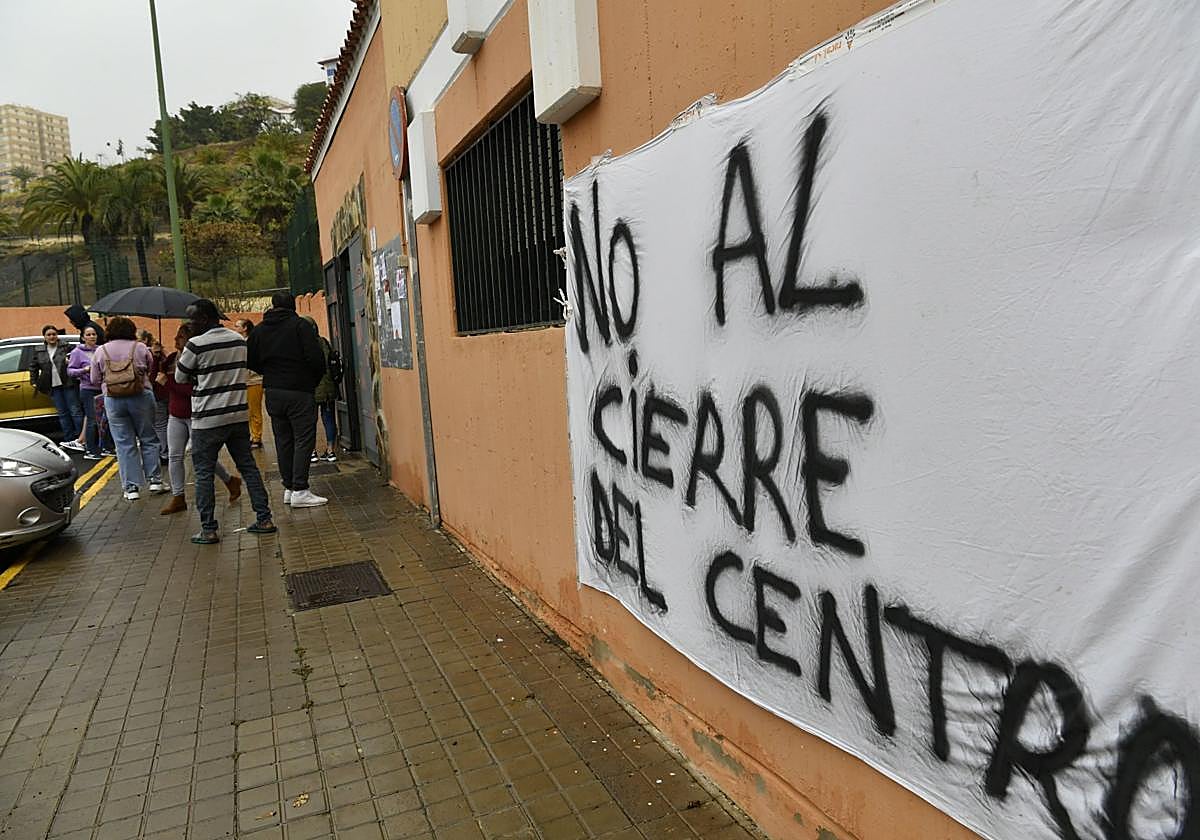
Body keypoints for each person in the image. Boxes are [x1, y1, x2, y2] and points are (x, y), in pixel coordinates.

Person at [175, 298, 275, 543]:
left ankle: (208, 529)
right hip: (237, 415)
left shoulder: (195, 345)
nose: (190, 325)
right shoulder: (238, 340)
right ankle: (264, 518)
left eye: (193, 319)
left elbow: (180, 377)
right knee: (248, 467)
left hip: (207, 419)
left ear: (207, 318)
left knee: (204, 473)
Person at [247, 293, 328, 507]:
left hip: (273, 391)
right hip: (299, 390)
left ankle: (289, 487)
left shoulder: (259, 330)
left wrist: (271, 373)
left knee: (283, 440)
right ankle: (300, 489)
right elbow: (316, 358)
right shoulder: (300, 326)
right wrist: (310, 381)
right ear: (293, 306)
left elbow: (252, 360)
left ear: (273, 306)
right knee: (303, 438)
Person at [158, 323, 242, 515]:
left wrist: (168, 383)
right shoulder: (172, 358)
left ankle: (229, 480)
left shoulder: (196, 357)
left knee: (201, 455)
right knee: (175, 455)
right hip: (176, 414)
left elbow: (191, 390)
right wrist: (156, 359)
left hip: (196, 413)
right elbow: (159, 380)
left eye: (179, 337)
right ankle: (178, 496)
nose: (175, 340)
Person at [90, 316, 163, 500]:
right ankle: (155, 480)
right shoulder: (139, 347)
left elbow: (94, 379)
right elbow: (149, 367)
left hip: (113, 399)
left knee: (124, 443)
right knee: (148, 437)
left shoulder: (101, 350)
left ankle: (131, 488)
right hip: (141, 396)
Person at [29, 325, 83, 449]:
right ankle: (69, 440)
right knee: (63, 414)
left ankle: (81, 440)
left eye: (54, 334)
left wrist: (72, 363)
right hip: (52, 386)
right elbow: (33, 366)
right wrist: (34, 381)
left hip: (68, 383)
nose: (52, 337)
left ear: (57, 335)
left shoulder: (66, 347)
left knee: (75, 412)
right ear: (44, 337)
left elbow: (77, 359)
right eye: (49, 335)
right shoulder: (39, 350)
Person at [68, 326, 114, 459]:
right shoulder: (77, 352)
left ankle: (106, 447)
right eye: (88, 334)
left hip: (102, 387)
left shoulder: (101, 349)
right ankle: (91, 450)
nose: (92, 337)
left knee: (106, 419)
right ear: (83, 337)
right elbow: (70, 371)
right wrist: (84, 370)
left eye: (93, 334)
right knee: (92, 419)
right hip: (88, 389)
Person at [302, 315, 338, 463]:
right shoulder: (324, 342)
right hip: (328, 387)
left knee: (309, 421)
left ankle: (312, 452)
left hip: (310, 388)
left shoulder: (302, 345)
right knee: (329, 419)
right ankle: (330, 451)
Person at [140, 329, 170, 463]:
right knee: (164, 424)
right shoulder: (162, 356)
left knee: (160, 425)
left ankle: (164, 453)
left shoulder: (154, 357)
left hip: (158, 395)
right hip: (165, 394)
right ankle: (166, 451)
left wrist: (155, 356)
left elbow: (152, 378)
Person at [233, 319, 265, 448]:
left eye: (237, 325)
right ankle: (251, 434)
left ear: (245, 328)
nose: (235, 328)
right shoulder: (240, 343)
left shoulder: (252, 343)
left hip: (254, 380)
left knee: (254, 410)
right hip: (244, 380)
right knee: (246, 411)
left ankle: (257, 436)